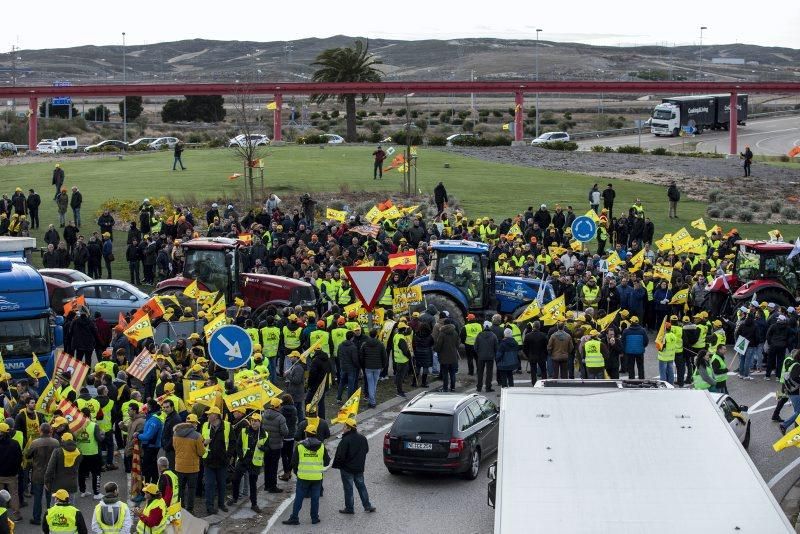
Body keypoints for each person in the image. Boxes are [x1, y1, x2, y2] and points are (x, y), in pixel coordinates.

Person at [282, 421, 331, 526]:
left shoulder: (300, 446)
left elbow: (293, 463)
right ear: (315, 434)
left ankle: (294, 518)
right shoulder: (321, 446)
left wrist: (297, 472)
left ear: (306, 433)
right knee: (315, 498)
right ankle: (314, 518)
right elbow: (327, 461)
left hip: (303, 477)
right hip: (317, 477)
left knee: (299, 498)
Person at [332, 418, 375, 515]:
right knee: (361, 487)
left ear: (349, 428)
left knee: (348, 489)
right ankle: (367, 505)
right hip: (359, 468)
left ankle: (349, 508)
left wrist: (340, 464)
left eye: (344, 427)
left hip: (347, 469)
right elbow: (366, 450)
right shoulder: (362, 438)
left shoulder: (345, 440)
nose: (343, 428)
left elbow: (341, 456)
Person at [228, 413, 267, 514]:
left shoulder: (264, 434)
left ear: (260, 422)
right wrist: (241, 457)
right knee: (235, 479)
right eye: (252, 420)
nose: (253, 422)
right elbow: (238, 445)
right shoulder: (244, 431)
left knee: (253, 484)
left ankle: (254, 504)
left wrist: (261, 447)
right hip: (243, 460)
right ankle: (235, 497)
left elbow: (268, 449)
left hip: (255, 462)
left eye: (256, 421)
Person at [26, 423, 60, 526]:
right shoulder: (56, 442)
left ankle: (37, 518)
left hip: (38, 474)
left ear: (40, 431)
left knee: (37, 498)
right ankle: (51, 518)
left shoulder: (35, 443)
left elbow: (28, 456)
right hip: (51, 474)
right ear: (50, 431)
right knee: (51, 498)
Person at [172, 413, 205, 514]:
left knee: (180, 489)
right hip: (192, 468)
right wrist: (204, 445)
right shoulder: (197, 436)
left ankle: (180, 508)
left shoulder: (176, 433)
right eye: (196, 423)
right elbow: (201, 452)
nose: (197, 425)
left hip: (179, 466)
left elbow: (175, 448)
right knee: (191, 489)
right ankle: (190, 509)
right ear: (194, 423)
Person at [201, 406, 230, 515]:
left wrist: (228, 457)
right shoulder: (204, 425)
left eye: (210, 414)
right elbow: (200, 441)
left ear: (216, 416)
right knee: (209, 485)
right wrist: (204, 443)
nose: (207, 415)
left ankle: (221, 504)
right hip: (209, 461)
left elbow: (232, 442)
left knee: (222, 484)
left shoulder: (227, 426)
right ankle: (210, 507)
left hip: (222, 461)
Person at [44, 432, 82, 504]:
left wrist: (47, 481)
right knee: (70, 509)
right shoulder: (79, 452)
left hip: (57, 484)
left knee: (55, 508)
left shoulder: (57, 451)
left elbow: (50, 468)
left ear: (63, 441)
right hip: (72, 483)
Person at [261, 397, 289, 494]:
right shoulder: (281, 418)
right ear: (278, 406)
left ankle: (266, 485)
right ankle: (273, 486)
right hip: (276, 446)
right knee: (274, 467)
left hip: (266, 445)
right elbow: (285, 432)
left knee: (267, 466)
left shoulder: (264, 414)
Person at [359, 330, 387, 408]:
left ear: (369, 335)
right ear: (376, 335)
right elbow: (384, 356)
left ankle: (372, 401)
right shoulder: (381, 344)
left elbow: (361, 356)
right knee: (374, 384)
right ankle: (372, 401)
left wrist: (362, 366)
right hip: (378, 367)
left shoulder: (364, 344)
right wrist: (383, 366)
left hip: (368, 367)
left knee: (371, 384)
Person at [0, 422, 21, 522]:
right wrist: (16, 470)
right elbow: (19, 458)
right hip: (12, 474)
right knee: (14, 495)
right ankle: (16, 515)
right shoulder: (15, 443)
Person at [779, 351, 800, 435]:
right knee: (798, 412)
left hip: (791, 390)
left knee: (797, 411)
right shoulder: (797, 365)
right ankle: (784, 425)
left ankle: (797, 428)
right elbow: (795, 377)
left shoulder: (793, 363)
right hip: (795, 392)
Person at [474, 321, 497, 392]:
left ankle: (479, 387)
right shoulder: (493, 335)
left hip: (481, 356)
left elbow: (475, 346)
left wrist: (479, 353)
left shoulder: (479, 335)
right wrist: (493, 354)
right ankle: (488, 387)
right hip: (490, 356)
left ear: (484, 326)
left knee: (480, 372)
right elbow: (496, 347)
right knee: (489, 373)